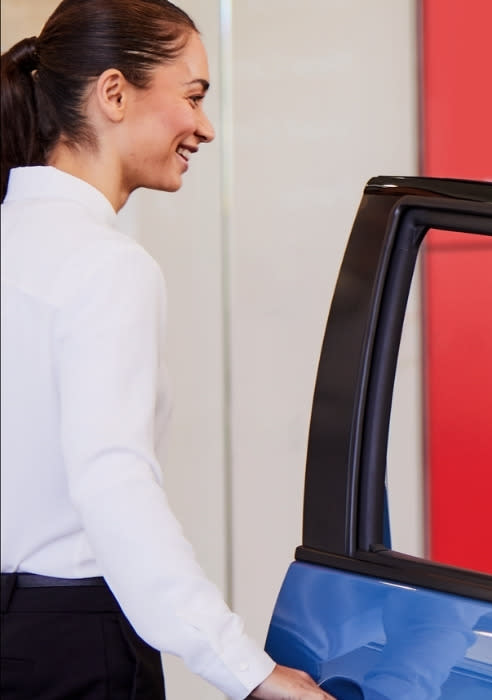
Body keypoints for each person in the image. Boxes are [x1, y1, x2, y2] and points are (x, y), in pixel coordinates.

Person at [0, 1, 331, 698]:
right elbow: (114, 485)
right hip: (73, 648)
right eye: (194, 96)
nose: (205, 127)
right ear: (114, 93)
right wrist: (249, 671)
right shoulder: (105, 266)